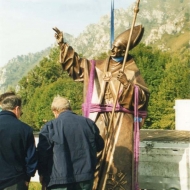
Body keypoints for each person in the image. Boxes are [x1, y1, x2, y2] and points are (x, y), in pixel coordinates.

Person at [53, 25, 149, 189]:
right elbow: (76, 66)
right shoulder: (96, 67)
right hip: (97, 120)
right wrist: (63, 45)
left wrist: (127, 84)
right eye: (113, 46)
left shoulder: (132, 71)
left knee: (119, 159)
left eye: (119, 48)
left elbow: (143, 97)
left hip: (121, 123)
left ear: (125, 51)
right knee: (94, 154)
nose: (114, 50)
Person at [37, 96, 104, 190]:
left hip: (59, 180)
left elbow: (43, 154)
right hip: (85, 178)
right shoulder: (88, 123)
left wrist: (42, 173)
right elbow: (100, 145)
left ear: (55, 111)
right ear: (70, 108)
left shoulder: (50, 127)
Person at [0, 95, 38, 190]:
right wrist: (28, 176)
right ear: (17, 108)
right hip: (15, 180)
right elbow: (31, 157)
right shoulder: (25, 129)